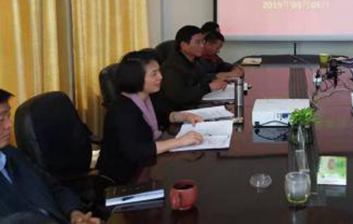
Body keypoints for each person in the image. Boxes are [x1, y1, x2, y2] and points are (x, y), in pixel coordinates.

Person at [98, 50, 205, 184]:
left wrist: (183, 116)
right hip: (125, 178)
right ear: (136, 77)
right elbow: (137, 151)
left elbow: (163, 116)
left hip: (146, 165)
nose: (160, 77)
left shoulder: (146, 97)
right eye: (154, 74)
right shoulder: (122, 110)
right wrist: (179, 141)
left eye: (159, 71)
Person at [0, 88, 100, 223]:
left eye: (8, 116)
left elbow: (55, 188)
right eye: (1, 119)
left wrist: (75, 213)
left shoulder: (12, 154)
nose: (9, 125)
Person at [161, 25, 228, 110]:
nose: (202, 45)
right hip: (180, 112)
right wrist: (209, 87)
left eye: (203, 41)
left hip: (195, 104)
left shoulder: (194, 60)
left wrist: (214, 79)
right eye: (198, 42)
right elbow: (179, 96)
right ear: (183, 45)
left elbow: (202, 78)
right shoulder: (172, 67)